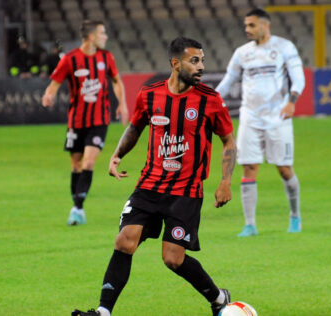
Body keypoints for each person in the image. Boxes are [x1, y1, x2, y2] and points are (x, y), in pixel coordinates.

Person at [71, 37, 236, 316]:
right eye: (194, 60)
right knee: (124, 240)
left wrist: (225, 181)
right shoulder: (149, 95)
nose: (201, 66)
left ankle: (219, 297)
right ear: (175, 63)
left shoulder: (210, 100)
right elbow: (135, 127)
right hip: (149, 185)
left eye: (202, 60)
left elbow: (228, 141)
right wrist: (117, 154)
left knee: (173, 259)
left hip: (185, 191)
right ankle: (103, 311)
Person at [215, 8, 305, 237]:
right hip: (250, 117)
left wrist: (292, 101)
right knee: (249, 167)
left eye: (252, 25)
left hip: (278, 117)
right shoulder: (242, 53)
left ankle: (295, 216)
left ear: (266, 25)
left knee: (284, 169)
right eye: (246, 25)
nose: (247, 30)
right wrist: (210, 100)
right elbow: (228, 81)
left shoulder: (284, 47)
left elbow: (298, 78)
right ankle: (250, 224)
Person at [42, 20, 129, 225]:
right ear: (91, 36)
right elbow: (54, 83)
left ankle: (78, 209)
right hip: (76, 120)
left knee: (89, 162)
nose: (105, 37)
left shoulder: (106, 57)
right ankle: (77, 206)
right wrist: (48, 95)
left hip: (99, 119)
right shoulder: (70, 59)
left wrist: (122, 104)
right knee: (76, 164)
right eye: (102, 33)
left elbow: (116, 81)